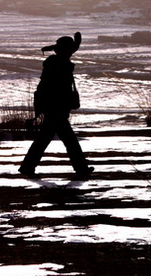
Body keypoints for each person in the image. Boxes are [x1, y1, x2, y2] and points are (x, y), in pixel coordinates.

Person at [18, 32, 94, 179]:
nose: (71, 53)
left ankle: (28, 167)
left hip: (54, 108)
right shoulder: (59, 64)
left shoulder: (56, 61)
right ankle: (81, 168)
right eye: (69, 49)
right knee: (68, 140)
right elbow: (55, 89)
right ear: (64, 50)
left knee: (46, 139)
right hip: (56, 108)